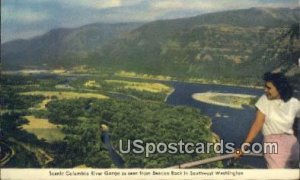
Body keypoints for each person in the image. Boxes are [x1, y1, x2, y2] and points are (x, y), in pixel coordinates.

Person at [236, 72, 300, 168]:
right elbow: (257, 125)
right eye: (265, 87)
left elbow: (296, 127)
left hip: (293, 144)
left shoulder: (294, 103)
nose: (265, 90)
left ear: (280, 88)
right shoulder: (264, 100)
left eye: (269, 88)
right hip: (272, 143)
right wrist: (243, 148)